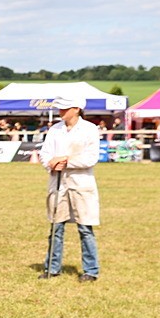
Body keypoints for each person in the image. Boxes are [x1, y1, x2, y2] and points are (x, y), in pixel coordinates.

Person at [38, 96, 100, 282]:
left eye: (65, 108)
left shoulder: (90, 129)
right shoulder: (55, 130)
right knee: (56, 227)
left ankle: (91, 269)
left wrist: (65, 161)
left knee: (85, 228)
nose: (61, 111)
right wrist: (50, 163)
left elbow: (90, 158)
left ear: (76, 109)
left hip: (81, 184)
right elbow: (45, 153)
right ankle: (52, 267)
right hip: (58, 183)